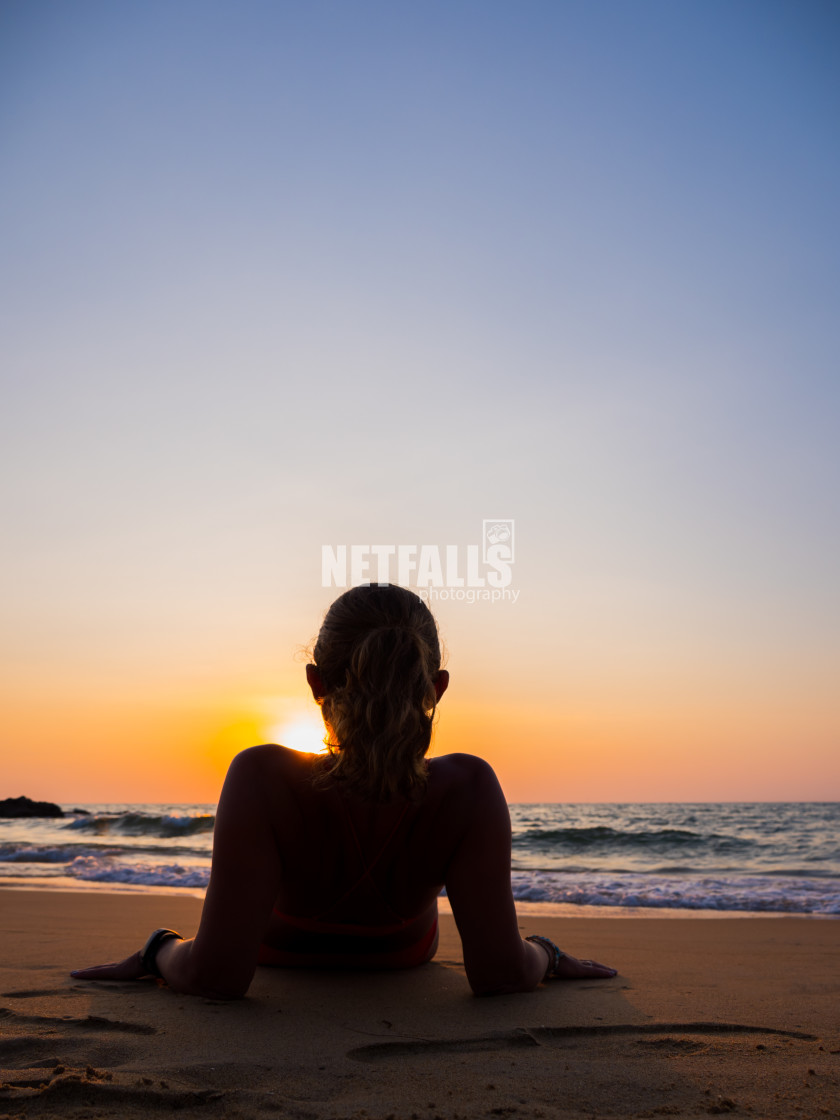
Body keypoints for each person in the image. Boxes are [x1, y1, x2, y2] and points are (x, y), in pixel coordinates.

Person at [71, 584, 616, 999]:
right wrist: (545, 953)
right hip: (401, 959)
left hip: (280, 956)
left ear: (316, 682)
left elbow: (214, 975)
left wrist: (157, 949)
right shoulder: (469, 786)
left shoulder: (261, 776)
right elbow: (501, 975)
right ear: (436, 688)